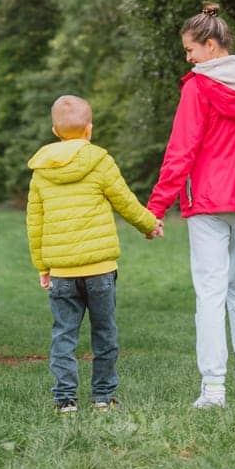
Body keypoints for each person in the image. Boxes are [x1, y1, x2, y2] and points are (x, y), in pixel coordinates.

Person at [146, 3, 235, 409]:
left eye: (190, 50)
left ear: (210, 45)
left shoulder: (197, 86)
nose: (188, 58)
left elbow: (181, 151)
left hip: (208, 201)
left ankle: (213, 390)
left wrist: (156, 208)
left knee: (210, 294)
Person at [27, 93, 161, 413]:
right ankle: (102, 397)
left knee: (64, 335)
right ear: (89, 129)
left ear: (55, 130)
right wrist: (148, 225)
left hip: (61, 272)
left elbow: (35, 222)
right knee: (105, 333)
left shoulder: (42, 170)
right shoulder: (100, 160)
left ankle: (65, 400)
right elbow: (125, 201)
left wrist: (42, 265)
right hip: (100, 268)